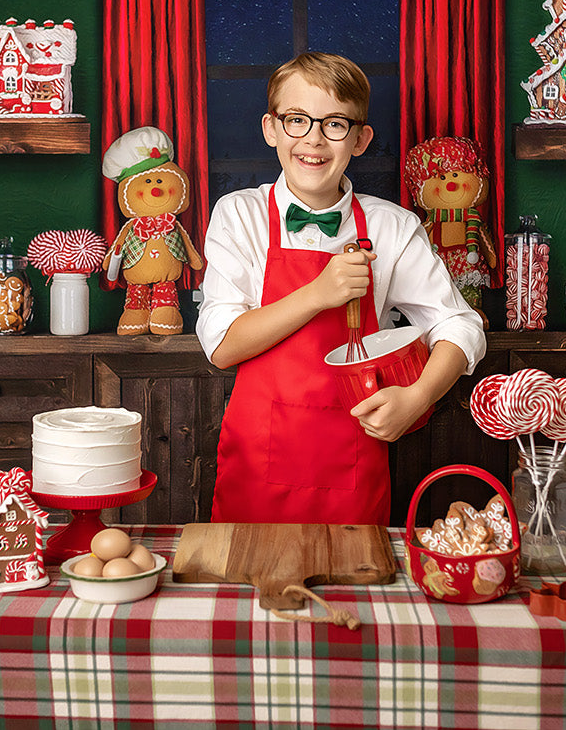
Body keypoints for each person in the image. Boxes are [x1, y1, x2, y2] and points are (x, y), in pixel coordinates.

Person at [195, 52, 486, 525]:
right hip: (255, 467)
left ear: (360, 139)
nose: (313, 139)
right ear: (271, 129)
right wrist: (317, 293)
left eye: (334, 123)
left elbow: (459, 324)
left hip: (351, 466)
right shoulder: (239, 215)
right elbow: (223, 346)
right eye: (296, 120)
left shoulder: (393, 227)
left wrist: (418, 397)